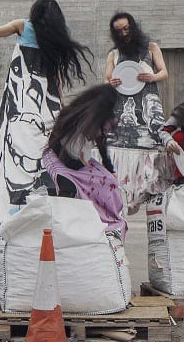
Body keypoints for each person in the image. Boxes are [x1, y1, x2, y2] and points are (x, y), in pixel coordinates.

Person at [0, 0, 91, 238]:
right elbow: (56, 80)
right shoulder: (54, 39)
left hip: (22, 102)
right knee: (44, 152)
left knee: (16, 149)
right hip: (47, 104)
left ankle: (12, 203)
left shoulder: (23, 26)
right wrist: (63, 110)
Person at [34, 84, 128, 239]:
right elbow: (65, 157)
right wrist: (81, 175)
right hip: (58, 159)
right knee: (75, 187)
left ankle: (108, 219)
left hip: (79, 159)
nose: (99, 134)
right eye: (100, 130)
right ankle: (73, 225)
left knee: (109, 183)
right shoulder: (71, 119)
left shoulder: (99, 121)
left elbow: (101, 143)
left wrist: (108, 168)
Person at [102, 11, 172, 213]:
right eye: (119, 31)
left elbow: (164, 73)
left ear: (132, 26)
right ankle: (121, 199)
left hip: (148, 108)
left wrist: (152, 77)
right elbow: (107, 79)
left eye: (126, 28)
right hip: (121, 108)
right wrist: (111, 82)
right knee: (118, 152)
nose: (124, 33)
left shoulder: (151, 48)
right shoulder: (113, 54)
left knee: (152, 150)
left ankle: (149, 196)